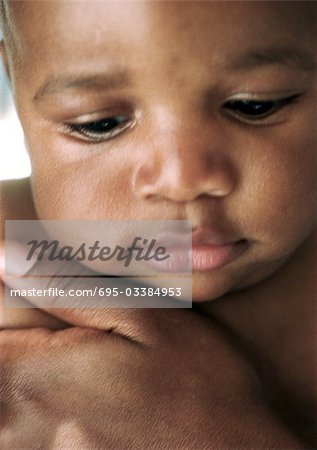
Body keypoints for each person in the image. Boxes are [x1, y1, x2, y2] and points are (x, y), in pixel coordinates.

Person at [0, 0, 316, 448]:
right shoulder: (12, 242)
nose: (183, 179)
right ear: (14, 82)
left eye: (254, 106)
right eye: (100, 123)